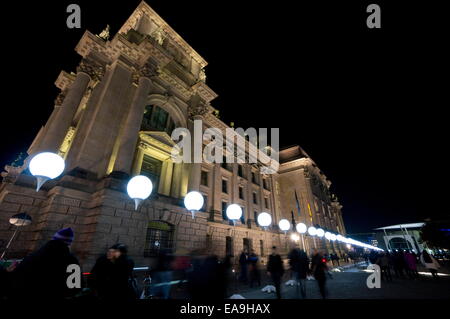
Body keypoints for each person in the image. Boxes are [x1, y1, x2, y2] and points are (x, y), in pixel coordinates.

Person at [9, 227, 79, 299]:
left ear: (53, 239)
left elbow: (16, 279)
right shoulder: (72, 261)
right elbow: (75, 288)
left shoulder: (33, 256)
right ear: (69, 243)